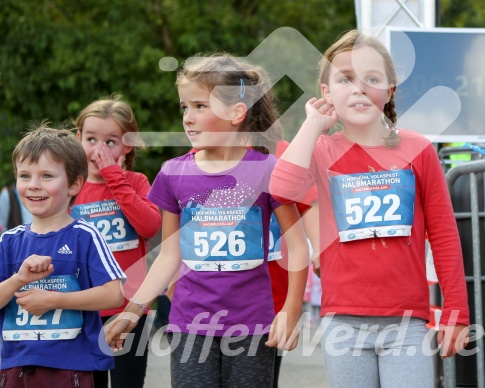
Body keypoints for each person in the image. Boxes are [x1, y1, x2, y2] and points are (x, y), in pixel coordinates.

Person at [269, 29, 470, 387]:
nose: (359, 88)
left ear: (389, 89)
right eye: (345, 79)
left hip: (407, 322)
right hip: (342, 322)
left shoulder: (417, 148)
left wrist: (456, 311)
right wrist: (313, 125)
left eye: (372, 79)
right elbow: (282, 189)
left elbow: (443, 234)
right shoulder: (322, 151)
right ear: (326, 92)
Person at [105, 53, 309, 387]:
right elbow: (169, 255)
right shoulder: (173, 173)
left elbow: (298, 247)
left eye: (200, 106)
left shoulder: (268, 170)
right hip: (189, 325)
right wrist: (133, 310)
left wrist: (291, 308)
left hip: (253, 326)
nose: (188, 117)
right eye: (184, 107)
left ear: (236, 113)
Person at [0, 125, 125, 387]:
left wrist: (54, 300)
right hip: (12, 366)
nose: (34, 185)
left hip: (71, 368)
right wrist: (17, 280)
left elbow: (114, 294)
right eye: (25, 175)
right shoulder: (8, 241)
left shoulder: (85, 235)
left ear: (74, 184)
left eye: (47, 176)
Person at [70, 96, 162, 388]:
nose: (100, 150)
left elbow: (149, 225)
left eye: (111, 142)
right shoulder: (70, 189)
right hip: (83, 311)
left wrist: (113, 176)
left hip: (130, 310)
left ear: (128, 145)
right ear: (78, 139)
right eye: (91, 139)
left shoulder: (136, 182)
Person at [267, 139, 319, 388]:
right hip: (205, 300)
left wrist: (319, 247)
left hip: (270, 303)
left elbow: (308, 202)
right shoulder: (202, 154)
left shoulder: (283, 152)